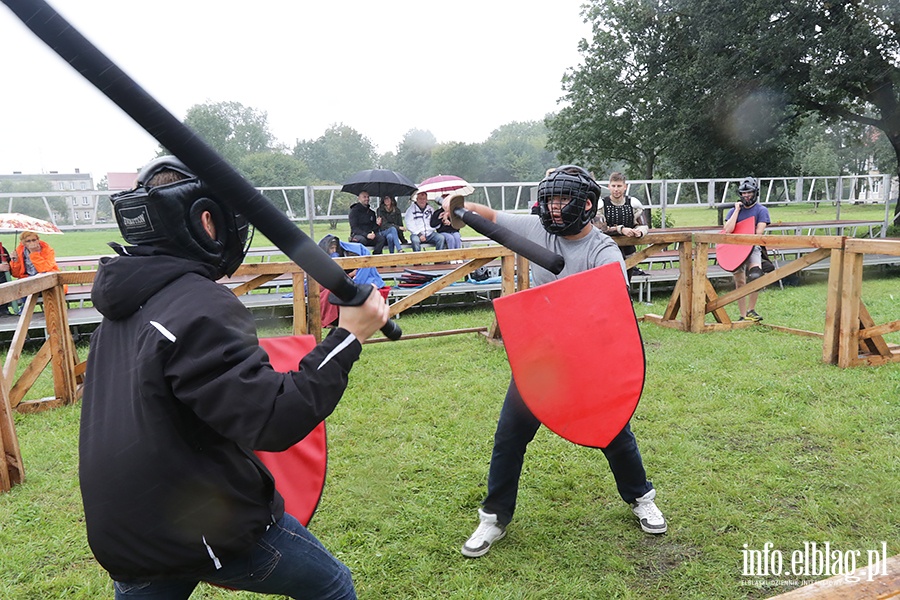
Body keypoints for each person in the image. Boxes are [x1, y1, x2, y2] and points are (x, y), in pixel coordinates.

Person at [79, 156, 388, 599]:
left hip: (125, 530)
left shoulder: (121, 302)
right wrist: (348, 336)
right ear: (207, 219)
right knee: (332, 586)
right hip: (196, 527)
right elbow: (274, 417)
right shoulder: (197, 303)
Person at [450, 165, 667, 559]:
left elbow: (607, 310)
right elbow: (492, 218)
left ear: (585, 204)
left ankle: (641, 498)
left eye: (562, 199)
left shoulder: (602, 251)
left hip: (587, 359)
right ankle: (494, 517)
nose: (553, 208)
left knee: (615, 432)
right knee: (510, 434)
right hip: (542, 360)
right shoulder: (539, 230)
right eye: (549, 199)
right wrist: (460, 206)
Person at [722, 176, 771, 322]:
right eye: (744, 193)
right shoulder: (733, 211)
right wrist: (737, 210)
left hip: (752, 247)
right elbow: (728, 229)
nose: (746, 196)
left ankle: (751, 310)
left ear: (754, 193)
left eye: (749, 193)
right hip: (736, 249)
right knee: (740, 281)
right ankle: (742, 314)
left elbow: (759, 232)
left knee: (755, 276)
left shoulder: (761, 210)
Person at [593, 172, 649, 280]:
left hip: (629, 250)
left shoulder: (633, 203)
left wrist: (639, 231)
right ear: (609, 187)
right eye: (613, 186)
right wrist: (621, 229)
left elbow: (644, 225)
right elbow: (600, 228)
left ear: (625, 187)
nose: (616, 189)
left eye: (619, 186)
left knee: (627, 282)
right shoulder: (601, 205)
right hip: (606, 250)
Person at [10, 230, 66, 296]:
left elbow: (44, 269)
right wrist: (15, 261)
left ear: (38, 240)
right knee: (24, 288)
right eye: (28, 241)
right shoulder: (19, 251)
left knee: (37, 287)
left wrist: (34, 253)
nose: (32, 243)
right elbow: (16, 274)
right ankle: (25, 306)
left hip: (46, 279)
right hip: (28, 281)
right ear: (23, 243)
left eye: (34, 240)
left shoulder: (47, 249)